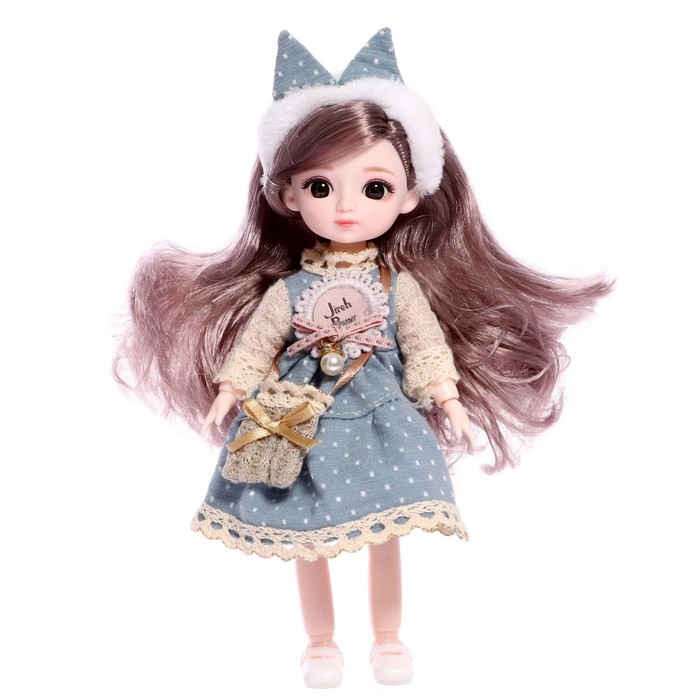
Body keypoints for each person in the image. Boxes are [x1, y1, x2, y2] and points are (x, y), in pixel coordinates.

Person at [114, 28, 612, 688]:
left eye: (374, 188)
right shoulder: (289, 290)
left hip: (380, 420)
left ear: (409, 196)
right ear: (288, 195)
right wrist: (229, 393)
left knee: (387, 535)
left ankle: (388, 639)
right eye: (322, 186)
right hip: (298, 421)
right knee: (305, 536)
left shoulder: (397, 287)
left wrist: (450, 401)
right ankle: (320, 643)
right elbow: (257, 345)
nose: (346, 205)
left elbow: (425, 346)